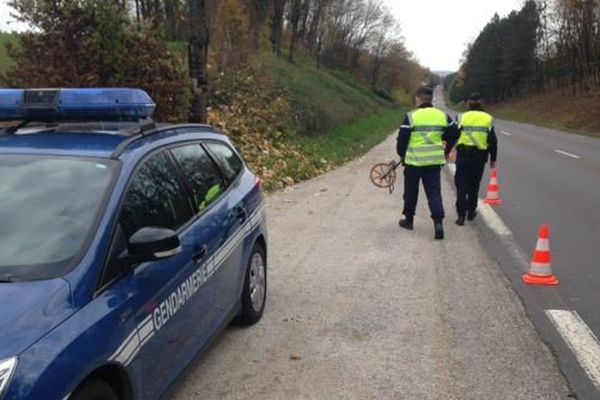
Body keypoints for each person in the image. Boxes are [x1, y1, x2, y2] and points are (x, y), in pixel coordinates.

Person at [396, 86, 459, 240]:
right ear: (430, 99)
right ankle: (438, 223)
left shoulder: (411, 116)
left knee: (411, 192)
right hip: (433, 163)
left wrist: (403, 154)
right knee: (434, 193)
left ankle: (409, 220)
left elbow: (402, 140)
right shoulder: (442, 116)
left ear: (418, 98)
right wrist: (446, 149)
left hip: (414, 163)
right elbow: (455, 133)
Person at [454, 92, 498, 226]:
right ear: (481, 102)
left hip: (463, 156)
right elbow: (493, 141)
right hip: (479, 158)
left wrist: (447, 150)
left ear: (468, 103)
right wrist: (493, 159)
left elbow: (454, 135)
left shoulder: (461, 117)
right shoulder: (488, 118)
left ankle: (460, 216)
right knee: (474, 186)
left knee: (461, 186)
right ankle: (471, 212)